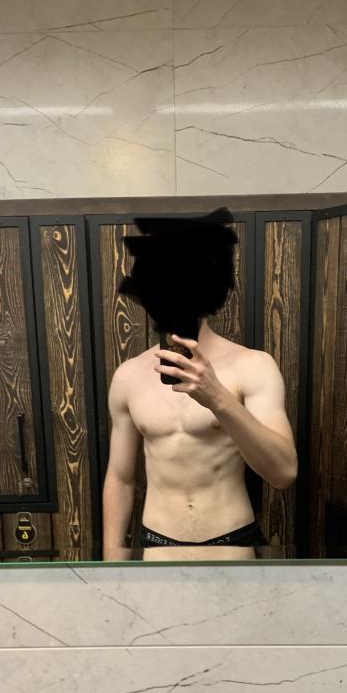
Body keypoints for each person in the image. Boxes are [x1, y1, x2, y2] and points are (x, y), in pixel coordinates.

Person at [101, 207, 297, 561]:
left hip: (231, 546)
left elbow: (283, 473)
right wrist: (112, 565)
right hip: (158, 548)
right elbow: (120, 477)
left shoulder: (252, 366)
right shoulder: (128, 376)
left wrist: (217, 398)